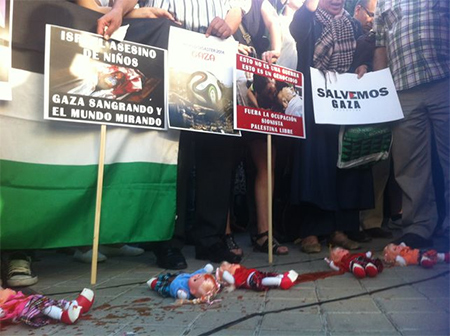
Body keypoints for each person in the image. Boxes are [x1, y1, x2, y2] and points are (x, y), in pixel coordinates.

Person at [95, 0, 251, 265]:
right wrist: (119, 9)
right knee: (171, 153)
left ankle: (210, 239)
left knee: (216, 151)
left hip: (211, 50)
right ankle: (167, 240)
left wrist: (229, 25)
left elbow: (235, 6)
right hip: (165, 45)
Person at [288, 0, 374, 254]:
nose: (336, 0)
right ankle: (310, 232)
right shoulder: (310, 19)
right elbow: (297, 29)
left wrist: (363, 66)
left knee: (345, 164)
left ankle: (340, 230)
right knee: (315, 165)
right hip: (316, 104)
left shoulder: (351, 24)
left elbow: (362, 55)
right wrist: (309, 7)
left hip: (344, 104)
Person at [373, 0, 449, 248]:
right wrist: (379, 93)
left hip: (444, 79)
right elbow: (381, 47)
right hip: (402, 89)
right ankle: (418, 226)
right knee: (409, 163)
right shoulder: (383, 2)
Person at [232, 1, 289, 256]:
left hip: (253, 86)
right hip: (221, 82)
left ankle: (264, 233)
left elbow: (272, 23)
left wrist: (275, 51)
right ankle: (223, 235)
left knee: (266, 158)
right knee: (225, 162)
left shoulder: (259, 3)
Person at [345, 0, 394, 243]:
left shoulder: (386, 37)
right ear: (358, 10)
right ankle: (355, 222)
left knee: (381, 163)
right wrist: (359, 66)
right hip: (358, 109)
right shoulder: (353, 34)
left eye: (378, 15)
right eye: (371, 14)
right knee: (359, 161)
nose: (374, 20)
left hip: (383, 106)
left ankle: (374, 220)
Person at [0, 286, 94, 327]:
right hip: (17, 309)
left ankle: (74, 305)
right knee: (37, 305)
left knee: (42, 302)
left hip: (18, 299)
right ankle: (63, 316)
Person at [147, 264, 221, 304]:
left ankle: (153, 283)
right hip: (175, 277)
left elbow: (183, 295)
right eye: (199, 276)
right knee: (167, 277)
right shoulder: (192, 277)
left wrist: (181, 294)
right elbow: (198, 273)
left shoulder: (186, 291)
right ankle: (160, 278)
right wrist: (205, 270)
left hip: (170, 286)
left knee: (162, 287)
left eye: (195, 280)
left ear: (192, 290)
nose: (195, 276)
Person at [215, 261, 298, 291]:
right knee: (262, 281)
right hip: (251, 279)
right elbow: (229, 279)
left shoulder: (240, 269)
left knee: (266, 275)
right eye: (230, 266)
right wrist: (221, 274)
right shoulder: (235, 277)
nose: (232, 264)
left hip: (255, 274)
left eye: (230, 263)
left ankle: (282, 276)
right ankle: (281, 282)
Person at [383, 243, 450, 268]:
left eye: (396, 245)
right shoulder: (402, 257)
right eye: (395, 249)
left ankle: (446, 256)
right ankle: (428, 263)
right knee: (424, 259)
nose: (397, 247)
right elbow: (402, 262)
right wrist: (396, 259)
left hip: (421, 252)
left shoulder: (404, 248)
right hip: (419, 258)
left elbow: (402, 244)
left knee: (437, 255)